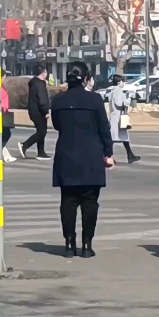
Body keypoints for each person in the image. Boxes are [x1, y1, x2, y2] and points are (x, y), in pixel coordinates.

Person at [51, 62, 115, 259]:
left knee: (68, 202)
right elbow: (104, 128)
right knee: (90, 203)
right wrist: (108, 153)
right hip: (91, 155)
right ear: (87, 79)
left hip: (66, 154)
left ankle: (69, 244)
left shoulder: (58, 101)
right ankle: (87, 245)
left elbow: (56, 125)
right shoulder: (95, 100)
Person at [19, 64, 51, 160]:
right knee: (42, 132)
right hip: (39, 111)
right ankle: (24, 145)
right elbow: (42, 99)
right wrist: (46, 111)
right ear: (44, 72)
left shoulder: (34, 83)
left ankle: (41, 152)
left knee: (41, 131)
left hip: (34, 110)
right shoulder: (39, 84)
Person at [108, 74, 140, 164]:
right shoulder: (117, 91)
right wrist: (128, 100)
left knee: (123, 138)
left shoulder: (114, 91)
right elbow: (119, 103)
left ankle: (130, 156)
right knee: (113, 139)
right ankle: (106, 157)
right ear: (119, 83)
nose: (124, 83)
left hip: (117, 117)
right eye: (122, 81)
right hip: (118, 118)